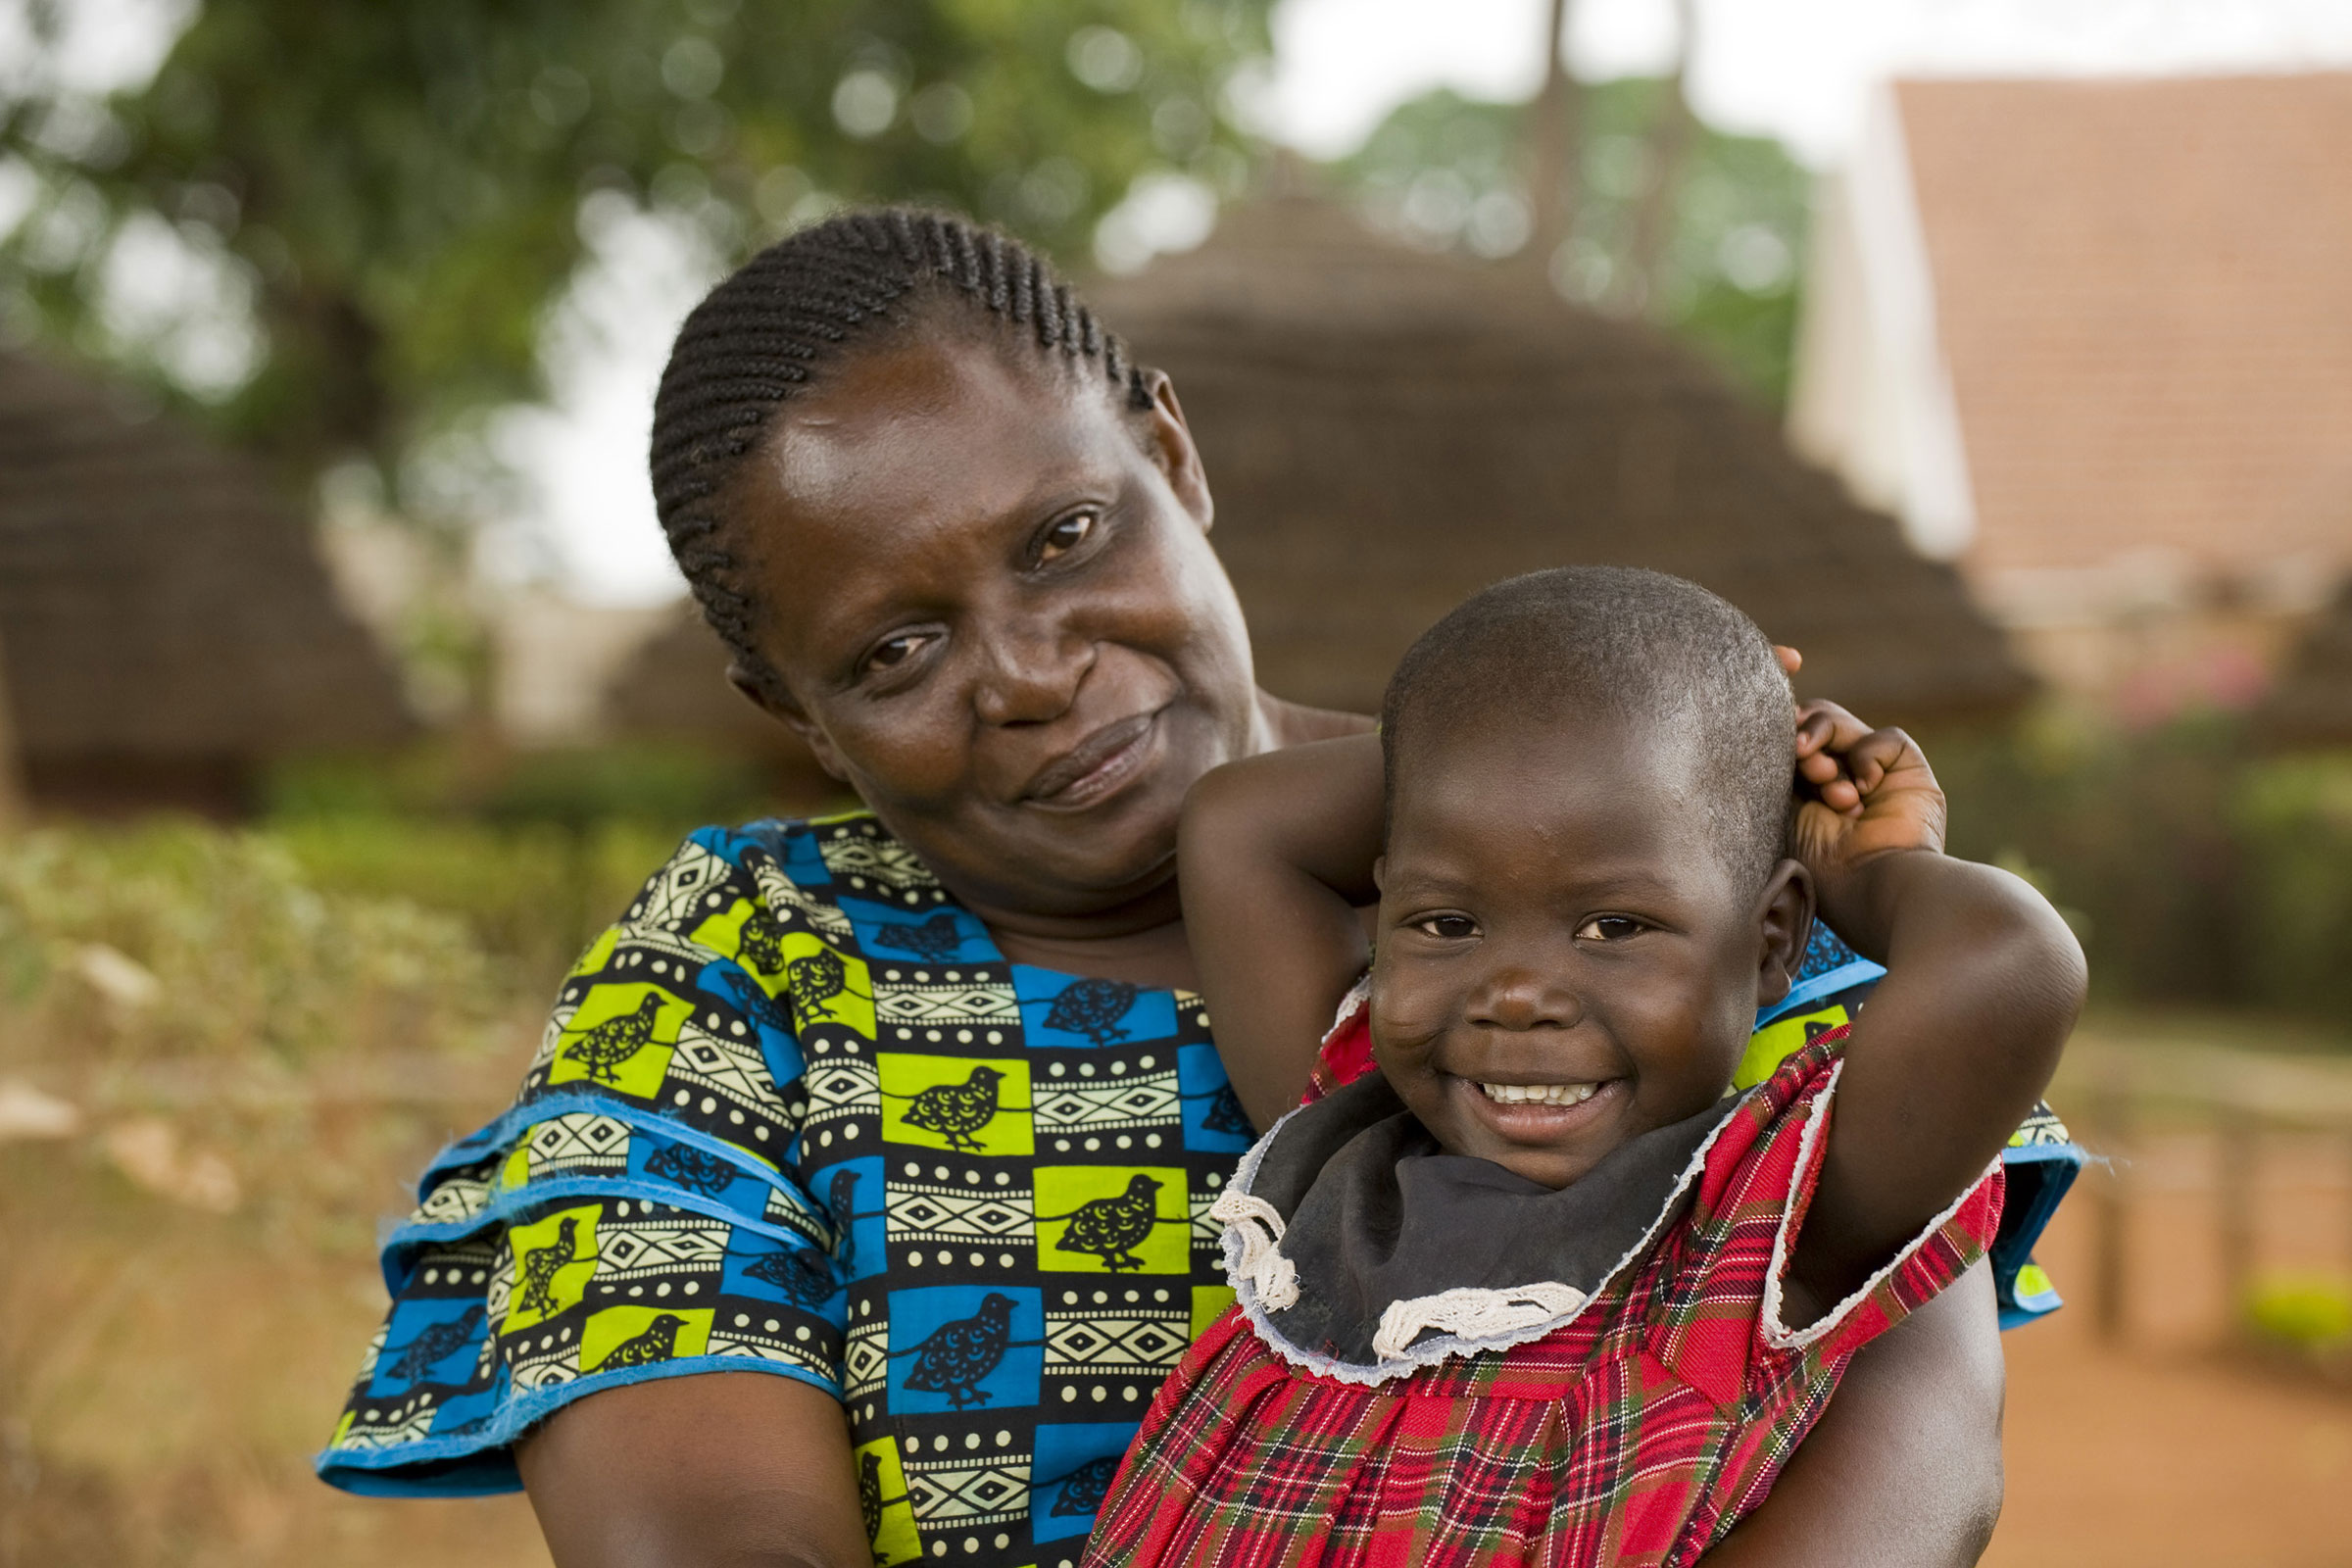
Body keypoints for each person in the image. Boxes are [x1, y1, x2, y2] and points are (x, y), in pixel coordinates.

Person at [316, 209, 2060, 1566]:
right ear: (796, 717)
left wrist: (1653, 750)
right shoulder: (738, 977)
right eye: (896, 650)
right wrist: (1610, 734)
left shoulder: (1649, 895)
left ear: (1174, 456)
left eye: (1067, 536)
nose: (1026, 672)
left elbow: (1920, 1440)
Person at [1083, 567, 2085, 1566]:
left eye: (1614, 926)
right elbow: (1237, 826)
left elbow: (2011, 966)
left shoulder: (1757, 1226)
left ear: (1773, 933)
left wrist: (1829, 836)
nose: (1516, 993)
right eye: (1447, 922)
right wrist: (1598, 724)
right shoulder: (1340, 1144)